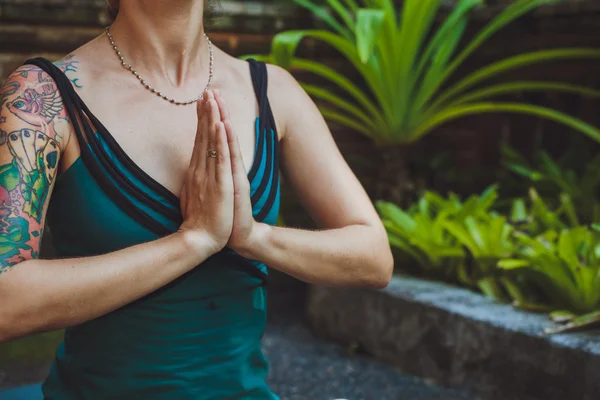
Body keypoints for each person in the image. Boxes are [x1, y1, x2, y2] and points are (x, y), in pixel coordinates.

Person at [0, 0, 393, 398]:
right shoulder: (40, 99)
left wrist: (254, 237)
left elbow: (373, 256)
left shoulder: (273, 91)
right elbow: (5, 299)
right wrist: (193, 241)